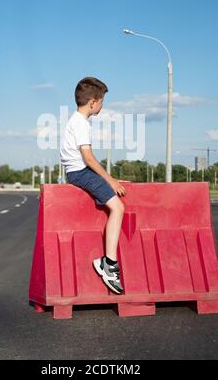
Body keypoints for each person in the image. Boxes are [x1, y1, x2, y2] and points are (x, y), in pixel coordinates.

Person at [60, 77, 127, 294]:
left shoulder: (75, 121)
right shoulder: (80, 123)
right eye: (102, 101)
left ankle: (108, 263)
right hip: (80, 172)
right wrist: (110, 180)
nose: (102, 106)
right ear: (92, 103)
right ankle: (109, 264)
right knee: (118, 207)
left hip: (77, 171)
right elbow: (88, 158)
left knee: (116, 204)